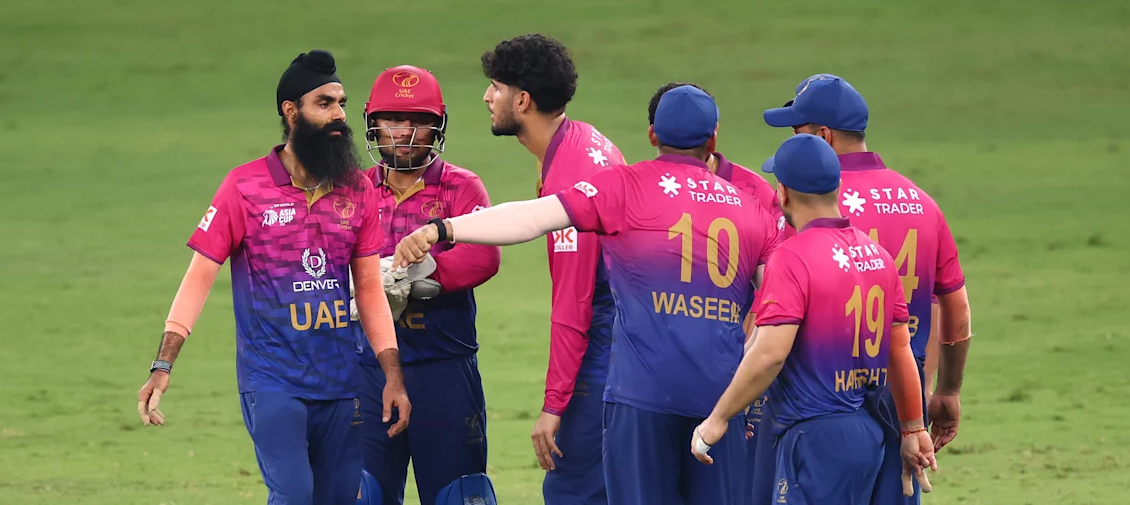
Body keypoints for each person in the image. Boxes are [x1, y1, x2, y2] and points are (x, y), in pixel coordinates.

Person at [392, 85, 781, 505]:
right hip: (719, 398)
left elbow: (530, 218)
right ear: (714, 138)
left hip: (641, 398)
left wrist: (443, 228)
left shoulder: (624, 187)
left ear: (652, 135)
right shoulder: (751, 208)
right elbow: (779, 305)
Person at [134, 49, 411, 505]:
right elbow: (198, 279)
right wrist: (163, 366)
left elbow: (368, 289)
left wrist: (392, 375)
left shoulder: (357, 188)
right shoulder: (243, 188)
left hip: (342, 382)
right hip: (273, 382)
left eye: (341, 103)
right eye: (324, 103)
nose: (339, 115)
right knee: (295, 495)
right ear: (290, 111)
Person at [690, 133, 937, 505]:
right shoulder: (877, 256)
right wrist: (913, 428)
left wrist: (719, 418)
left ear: (783, 192)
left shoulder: (792, 257)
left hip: (814, 437)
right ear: (837, 186)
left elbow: (770, 354)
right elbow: (900, 351)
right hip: (867, 433)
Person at [761, 74, 972, 503]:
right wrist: (947, 390)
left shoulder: (807, 204)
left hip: (822, 397)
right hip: (902, 395)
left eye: (797, 132)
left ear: (823, 136)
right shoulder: (922, 203)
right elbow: (957, 311)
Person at [480, 33, 625, 505]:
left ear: (522, 101)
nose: (487, 97)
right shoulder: (585, 140)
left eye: (496, 87)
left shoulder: (570, 175)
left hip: (605, 352)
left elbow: (573, 304)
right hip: (627, 342)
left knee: (572, 491)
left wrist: (553, 405)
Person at [353, 65, 501, 505]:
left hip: (443, 368)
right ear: (373, 123)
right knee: (361, 492)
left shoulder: (461, 187)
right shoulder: (353, 191)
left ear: (437, 126)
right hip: (368, 370)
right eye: (392, 120)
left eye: (417, 120)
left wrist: (410, 280)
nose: (403, 132)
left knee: (459, 494)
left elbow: (483, 257)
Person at [645, 81, 793, 505]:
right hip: (658, 377)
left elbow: (775, 285)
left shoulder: (754, 192)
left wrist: (749, 355)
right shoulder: (649, 187)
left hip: (734, 368)